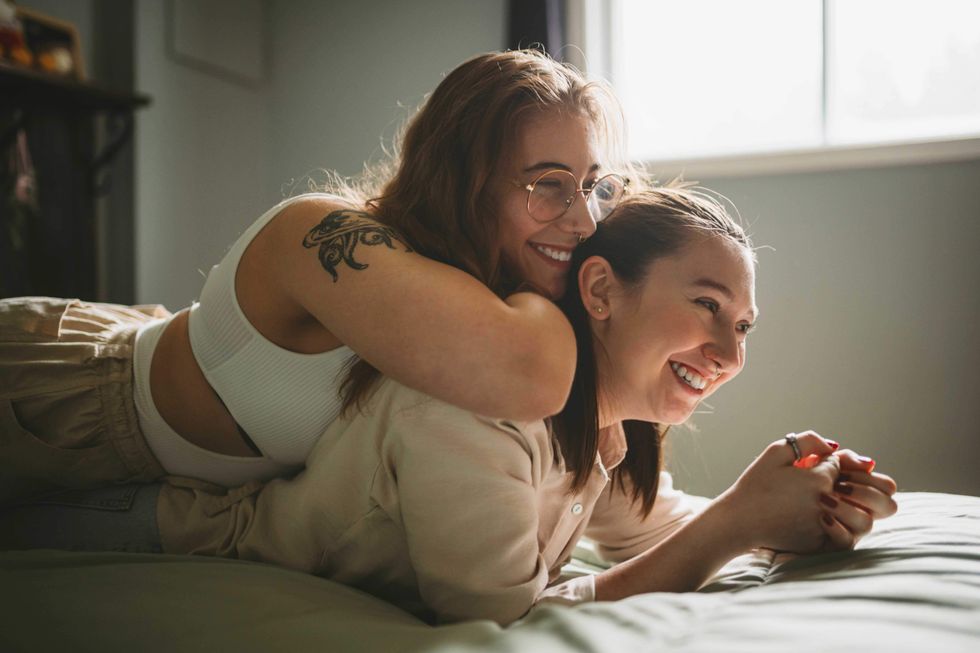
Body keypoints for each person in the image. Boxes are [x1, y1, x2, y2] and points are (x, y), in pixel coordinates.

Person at [2, 187, 893, 625]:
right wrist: (733, 527)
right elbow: (502, 615)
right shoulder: (480, 409)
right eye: (706, 306)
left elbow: (659, 527)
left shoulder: (601, 434)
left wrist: (803, 506)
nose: (732, 353)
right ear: (600, 289)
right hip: (131, 504)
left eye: (744, 325)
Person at [0, 49, 636, 502]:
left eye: (592, 186)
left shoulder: (487, 286)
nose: (584, 221)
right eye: (550, 185)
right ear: (464, 180)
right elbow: (532, 374)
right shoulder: (324, 235)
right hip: (56, 388)